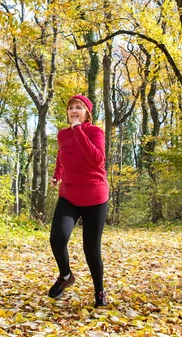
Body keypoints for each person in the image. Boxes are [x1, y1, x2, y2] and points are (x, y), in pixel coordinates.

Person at [48, 94, 109, 308]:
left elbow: (97, 160)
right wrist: (57, 174)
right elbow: (62, 155)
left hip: (95, 197)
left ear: (86, 113)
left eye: (79, 108)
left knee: (91, 250)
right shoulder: (63, 135)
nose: (74, 111)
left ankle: (99, 291)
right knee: (57, 238)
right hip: (70, 195)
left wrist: (78, 130)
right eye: (71, 107)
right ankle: (66, 276)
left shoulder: (95, 132)